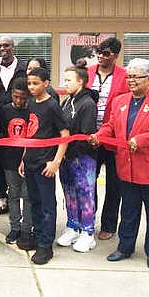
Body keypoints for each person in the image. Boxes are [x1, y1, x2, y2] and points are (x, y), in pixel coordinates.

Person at [90, 58, 149, 269]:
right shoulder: (121, 101)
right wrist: (99, 135)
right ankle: (125, 247)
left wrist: (142, 140)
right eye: (129, 76)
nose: (130, 81)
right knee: (128, 211)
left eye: (135, 77)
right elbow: (110, 126)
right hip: (126, 167)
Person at [19, 67, 70, 264]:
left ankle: (46, 246)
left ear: (46, 83)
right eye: (29, 83)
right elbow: (30, 133)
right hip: (30, 161)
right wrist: (23, 157)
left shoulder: (52, 106)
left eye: (35, 83)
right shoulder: (31, 103)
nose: (31, 87)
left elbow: (64, 136)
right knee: (35, 203)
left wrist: (56, 162)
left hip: (45, 164)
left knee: (47, 205)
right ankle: (38, 236)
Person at [86, 37, 129, 241]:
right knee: (87, 181)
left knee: (114, 184)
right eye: (99, 53)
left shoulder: (125, 76)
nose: (101, 57)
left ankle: (109, 224)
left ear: (116, 55)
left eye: (106, 54)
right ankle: (87, 221)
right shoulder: (87, 73)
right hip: (89, 136)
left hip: (114, 138)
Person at [57, 61, 98, 253]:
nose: (65, 83)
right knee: (69, 194)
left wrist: (70, 151)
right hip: (66, 157)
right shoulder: (67, 102)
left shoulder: (87, 103)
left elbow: (85, 134)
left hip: (82, 158)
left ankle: (88, 232)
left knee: (85, 194)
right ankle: (73, 225)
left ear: (80, 81)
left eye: (68, 80)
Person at [0, 77, 35, 250]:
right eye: (16, 96)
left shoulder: (32, 110)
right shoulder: (4, 111)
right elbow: (1, 133)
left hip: (28, 160)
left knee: (27, 196)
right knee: (13, 195)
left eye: (22, 97)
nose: (19, 101)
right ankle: (15, 228)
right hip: (9, 160)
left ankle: (26, 229)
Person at [0, 36, 28, 215]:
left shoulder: (23, 68)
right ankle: (1, 198)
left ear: (12, 47)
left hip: (20, 119)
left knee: (20, 158)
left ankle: (22, 200)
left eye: (6, 45)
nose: (2, 49)